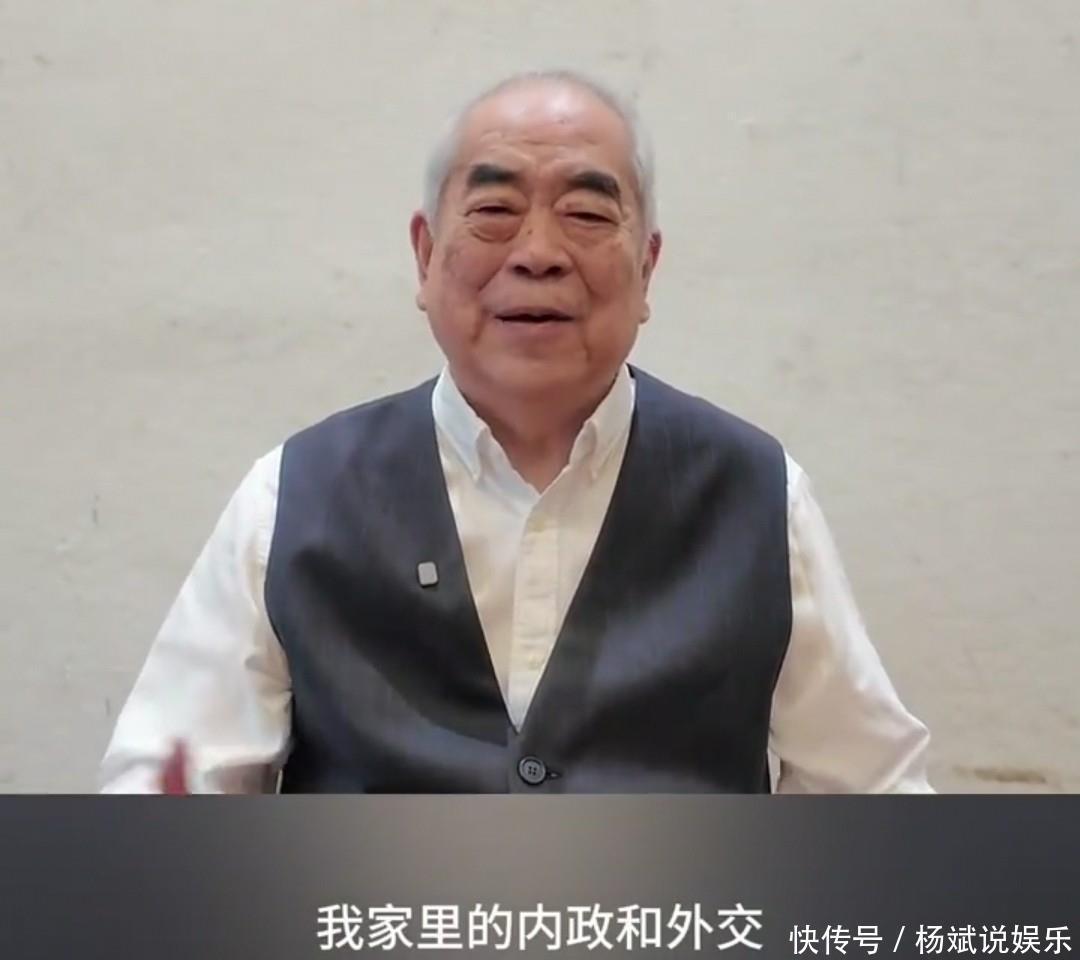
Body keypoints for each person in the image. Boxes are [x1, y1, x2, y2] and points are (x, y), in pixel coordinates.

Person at [100, 70, 932, 794]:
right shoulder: (295, 496)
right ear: (425, 256)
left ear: (647, 267)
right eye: (494, 210)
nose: (538, 253)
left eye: (586, 213)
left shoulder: (757, 496)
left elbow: (871, 795)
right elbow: (171, 789)